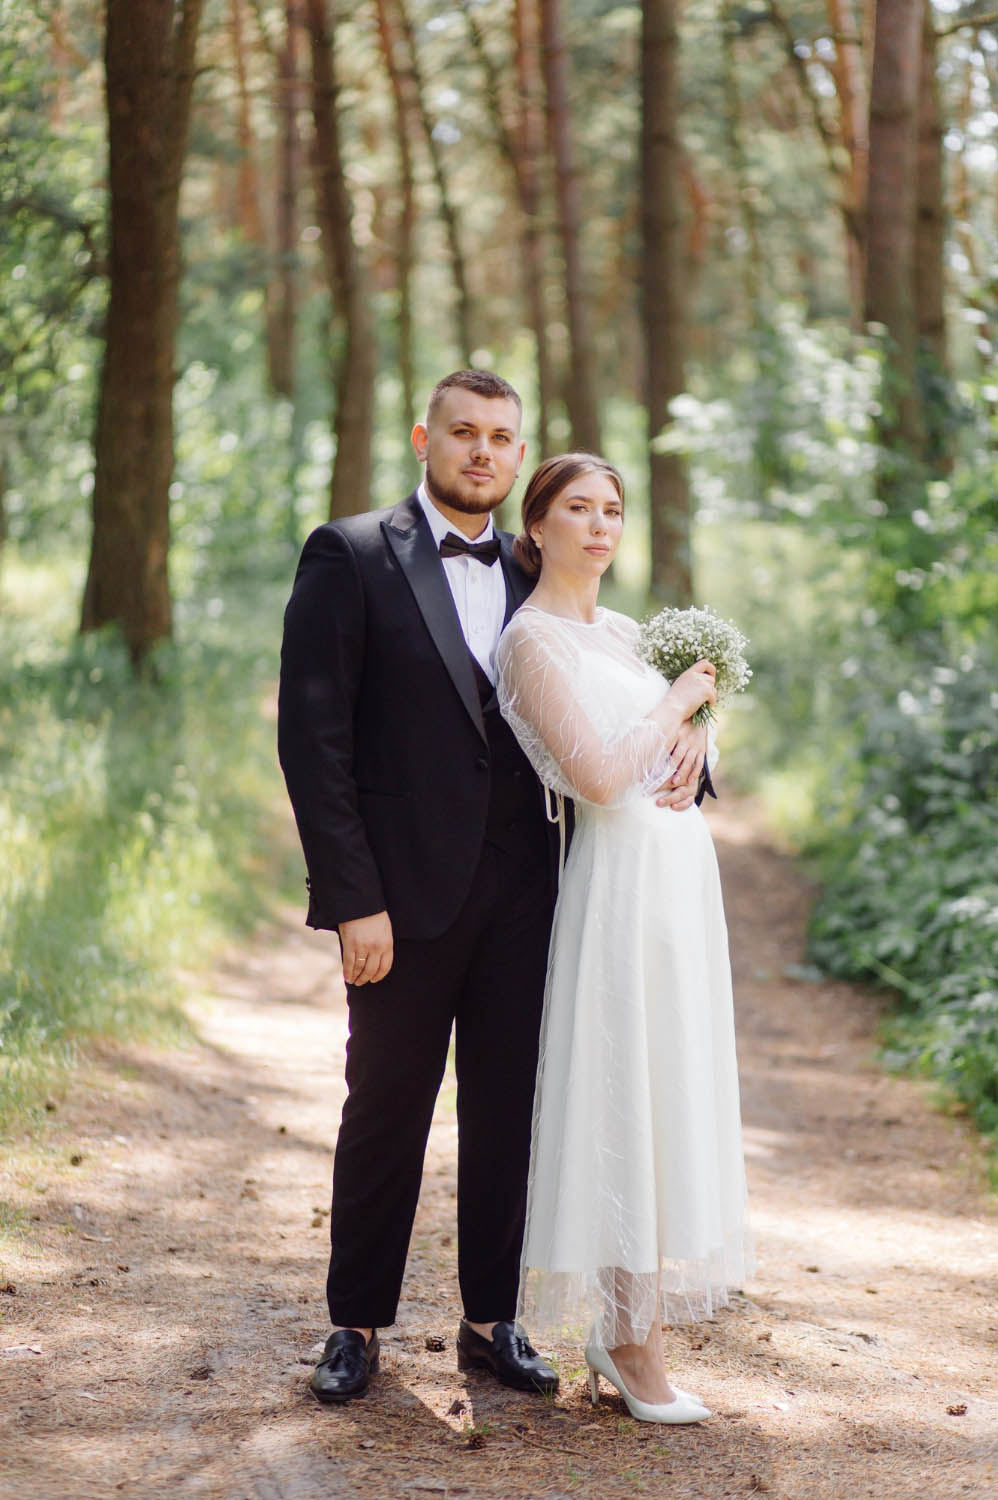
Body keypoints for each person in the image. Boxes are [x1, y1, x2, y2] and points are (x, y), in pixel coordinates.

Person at [278, 371, 713, 1405]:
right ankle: (356, 1325)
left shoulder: (547, 563)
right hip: (401, 897)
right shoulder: (350, 554)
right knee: (384, 1105)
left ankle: (491, 1321)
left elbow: (620, 696)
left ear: (520, 459)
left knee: (514, 1110)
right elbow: (314, 738)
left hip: (538, 896)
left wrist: (698, 735)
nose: (481, 451)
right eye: (463, 433)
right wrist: (351, 898)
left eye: (501, 437)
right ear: (425, 437)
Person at [495, 452, 752, 1425]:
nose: (600, 526)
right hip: (615, 884)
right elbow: (600, 775)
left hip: (680, 884)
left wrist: (697, 745)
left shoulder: (628, 630)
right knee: (623, 1096)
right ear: (538, 524)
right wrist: (674, 707)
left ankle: (632, 1327)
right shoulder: (531, 644)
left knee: (668, 1091)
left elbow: (672, 747)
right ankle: (624, 1336)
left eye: (612, 509)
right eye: (577, 508)